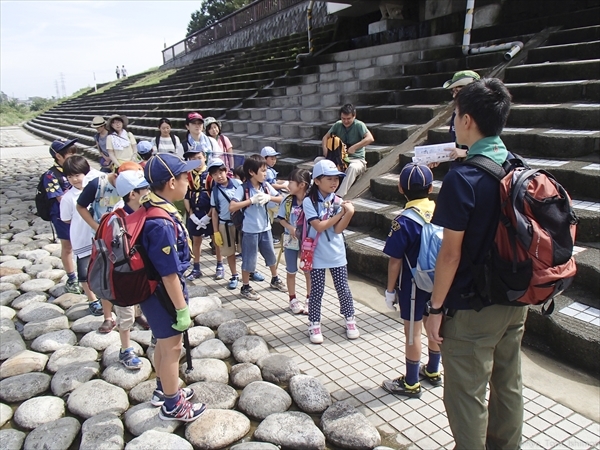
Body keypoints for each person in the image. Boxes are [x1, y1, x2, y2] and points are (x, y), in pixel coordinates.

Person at [425, 78, 526, 449]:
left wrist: (434, 308)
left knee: (465, 395)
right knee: (508, 385)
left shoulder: (462, 178)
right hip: (515, 299)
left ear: (467, 120)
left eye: (454, 116)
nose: (453, 123)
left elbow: (450, 254)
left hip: (471, 307)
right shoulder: (517, 165)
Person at [140, 153, 206, 422]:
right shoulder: (161, 223)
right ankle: (172, 405)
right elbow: (168, 274)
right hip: (163, 293)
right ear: (170, 182)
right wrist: (181, 309)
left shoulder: (150, 206)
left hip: (152, 290)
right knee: (173, 348)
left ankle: (162, 388)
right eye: (184, 177)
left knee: (162, 344)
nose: (188, 182)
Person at [381, 163, 441, 399]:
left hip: (413, 284)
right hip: (439, 280)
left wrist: (389, 290)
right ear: (430, 187)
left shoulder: (403, 221)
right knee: (434, 324)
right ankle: (434, 370)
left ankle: (411, 382)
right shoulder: (442, 211)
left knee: (412, 331)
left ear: (400, 188)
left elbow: (395, 260)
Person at [304, 160, 359, 344]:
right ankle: (314, 323)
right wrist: (340, 214)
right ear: (317, 181)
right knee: (317, 290)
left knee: (343, 288)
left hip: (336, 254)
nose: (334, 182)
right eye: (329, 178)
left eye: (336, 178)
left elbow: (337, 230)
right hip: (317, 255)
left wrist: (349, 214)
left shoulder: (338, 200)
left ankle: (350, 319)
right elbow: (318, 226)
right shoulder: (308, 201)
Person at [76, 163, 130, 333]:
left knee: (130, 272)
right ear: (115, 176)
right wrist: (96, 226)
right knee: (106, 275)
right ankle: (108, 316)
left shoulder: (132, 185)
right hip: (103, 237)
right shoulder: (97, 184)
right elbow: (80, 206)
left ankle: (135, 312)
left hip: (126, 235)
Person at [229, 154, 286, 300]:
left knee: (271, 256)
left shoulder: (265, 186)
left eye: (266, 170)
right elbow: (233, 206)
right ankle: (245, 287)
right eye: (262, 171)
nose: (265, 173)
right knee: (249, 259)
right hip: (250, 230)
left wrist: (269, 197)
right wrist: (251, 200)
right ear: (251, 172)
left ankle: (275, 279)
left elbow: (281, 198)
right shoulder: (243, 189)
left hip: (265, 228)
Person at [112, 168, 152, 369]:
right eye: (144, 188)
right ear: (133, 194)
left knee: (151, 305)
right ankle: (125, 349)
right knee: (125, 314)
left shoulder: (147, 212)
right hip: (125, 275)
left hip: (145, 274)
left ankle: (156, 337)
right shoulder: (117, 219)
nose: (148, 191)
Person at [60, 155, 104, 316]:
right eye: (70, 177)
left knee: (104, 266)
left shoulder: (97, 188)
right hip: (81, 237)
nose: (74, 180)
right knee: (84, 271)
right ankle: (92, 300)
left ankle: (107, 296)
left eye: (77, 175)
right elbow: (66, 219)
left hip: (99, 236)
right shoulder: (67, 198)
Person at [43, 139, 82, 294]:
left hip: (81, 214)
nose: (73, 156)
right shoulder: (50, 175)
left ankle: (87, 275)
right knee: (68, 247)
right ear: (58, 156)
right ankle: (72, 278)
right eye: (69, 154)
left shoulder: (77, 169)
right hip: (62, 216)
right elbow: (61, 199)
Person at [318, 104, 374, 197]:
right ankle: (319, 190)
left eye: (348, 119)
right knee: (318, 161)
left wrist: (355, 147)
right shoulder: (338, 124)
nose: (346, 121)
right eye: (343, 118)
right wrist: (325, 150)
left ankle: (339, 195)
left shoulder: (359, 125)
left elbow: (370, 138)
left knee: (352, 168)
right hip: (340, 159)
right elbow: (325, 137)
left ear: (354, 116)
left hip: (356, 159)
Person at [277, 168, 311, 315]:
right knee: (291, 270)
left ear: (302, 184)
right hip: (290, 241)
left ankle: (310, 299)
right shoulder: (288, 200)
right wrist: (290, 227)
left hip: (307, 242)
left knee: (308, 270)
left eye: (291, 182)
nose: (288, 185)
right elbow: (280, 218)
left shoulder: (311, 201)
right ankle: (292, 299)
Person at [209, 158, 242, 289]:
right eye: (215, 174)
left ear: (226, 171)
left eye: (220, 172)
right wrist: (216, 231)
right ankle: (234, 275)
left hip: (240, 223)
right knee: (229, 252)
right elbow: (214, 212)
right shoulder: (215, 191)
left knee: (246, 249)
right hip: (225, 225)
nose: (219, 176)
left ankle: (250, 271)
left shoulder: (237, 183)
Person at [182, 145, 214, 280]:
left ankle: (219, 265)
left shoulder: (210, 175)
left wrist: (209, 215)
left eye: (199, 158)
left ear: (205, 157)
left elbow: (215, 198)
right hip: (195, 212)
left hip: (210, 213)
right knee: (196, 241)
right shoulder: (187, 175)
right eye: (193, 159)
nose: (196, 161)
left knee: (216, 240)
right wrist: (191, 215)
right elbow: (186, 196)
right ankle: (196, 267)